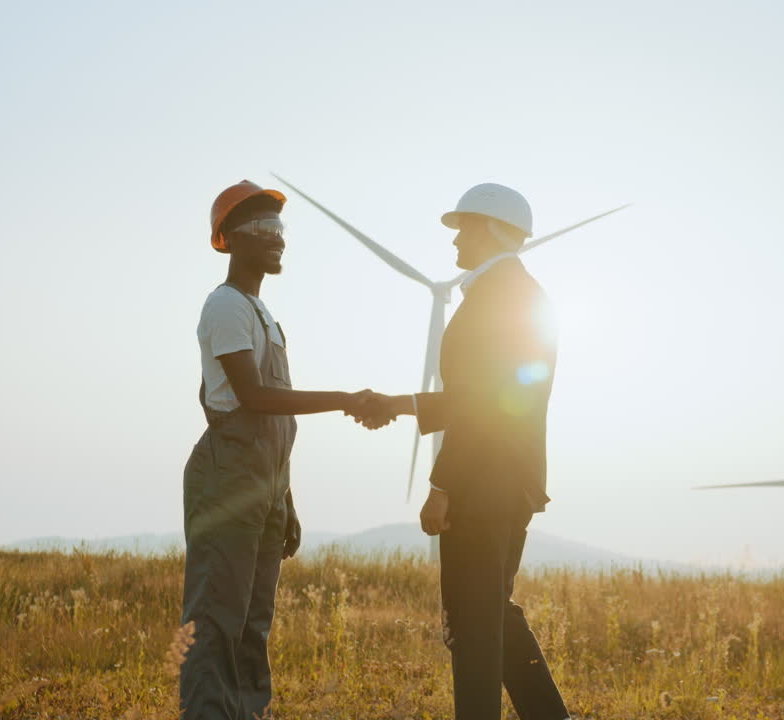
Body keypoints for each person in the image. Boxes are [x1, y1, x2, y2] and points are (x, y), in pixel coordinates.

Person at [361, 183, 570, 720]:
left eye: (466, 226)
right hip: (511, 479)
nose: (455, 238)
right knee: (492, 612)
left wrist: (441, 483)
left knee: (472, 624)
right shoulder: (519, 292)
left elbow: (480, 403)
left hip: (485, 480)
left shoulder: (497, 297)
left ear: (497, 230)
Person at [181, 179, 378, 720]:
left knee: (252, 622)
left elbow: (275, 421)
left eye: (280, 228)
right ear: (231, 240)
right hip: (228, 478)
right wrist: (344, 398)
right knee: (217, 619)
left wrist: (284, 497)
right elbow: (256, 397)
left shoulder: (264, 315)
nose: (278, 238)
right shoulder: (224, 306)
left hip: (264, 481)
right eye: (263, 230)